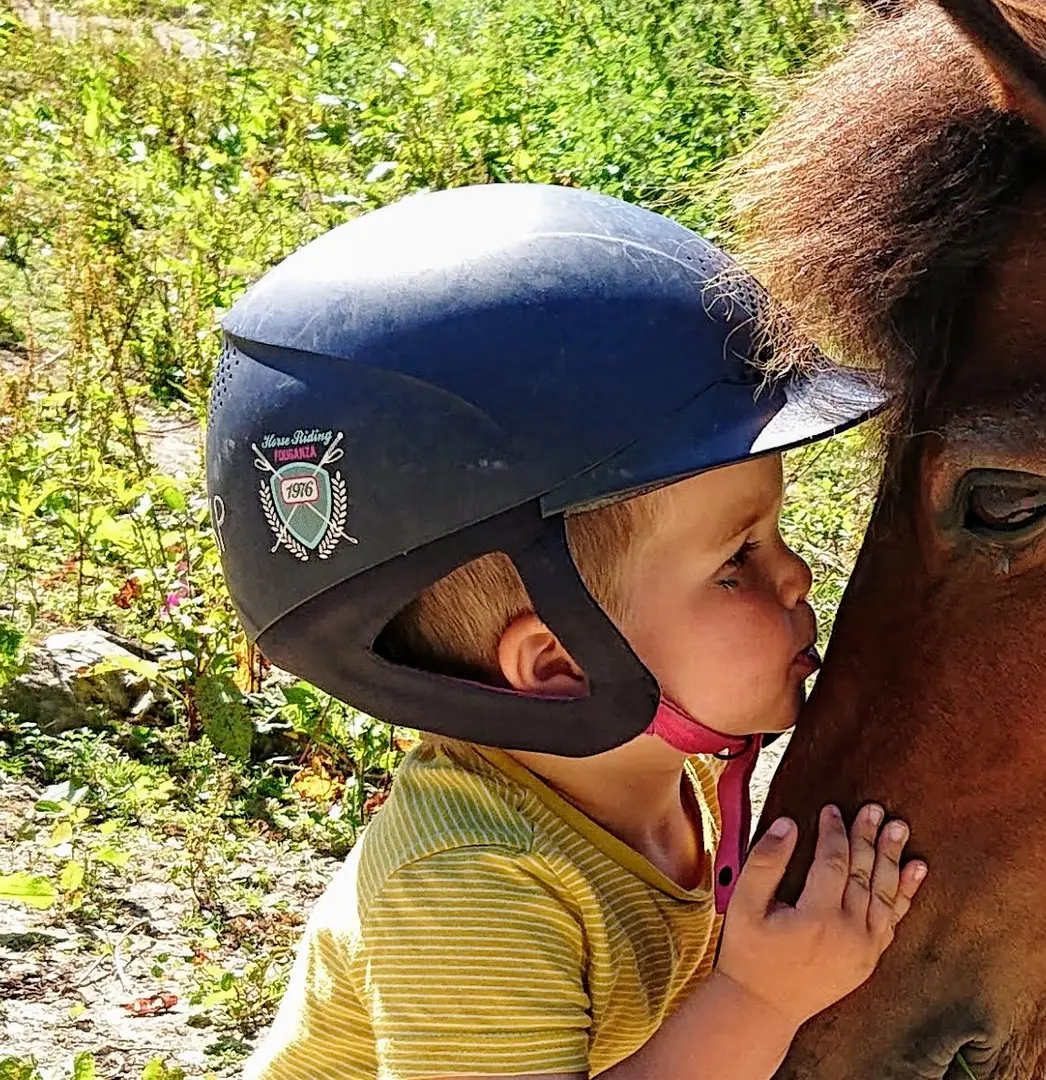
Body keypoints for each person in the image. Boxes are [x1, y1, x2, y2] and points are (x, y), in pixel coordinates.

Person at [205, 183, 922, 1079]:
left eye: (771, 534)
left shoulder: (654, 779)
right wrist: (760, 1000)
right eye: (736, 560)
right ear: (561, 663)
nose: (796, 576)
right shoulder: (474, 891)